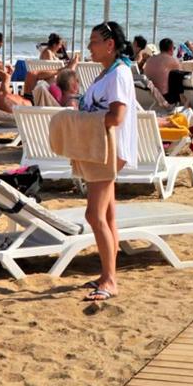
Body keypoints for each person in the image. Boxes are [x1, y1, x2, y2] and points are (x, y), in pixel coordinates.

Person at [80, 21, 138, 303]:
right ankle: (108, 273)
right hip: (103, 147)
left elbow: (116, 117)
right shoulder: (109, 71)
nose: (89, 46)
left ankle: (110, 280)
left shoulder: (118, 74)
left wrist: (82, 121)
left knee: (94, 215)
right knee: (109, 214)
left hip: (109, 149)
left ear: (110, 44)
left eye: (94, 41)